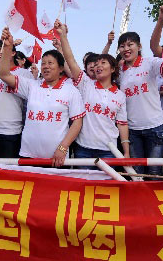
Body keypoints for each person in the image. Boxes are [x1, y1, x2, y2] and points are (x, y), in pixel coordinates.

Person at [0, 27, 85, 167]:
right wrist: (8, 48)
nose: (45, 67)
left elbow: (77, 123)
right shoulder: (32, 86)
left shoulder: (71, 91)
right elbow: (4, 75)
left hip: (57, 158)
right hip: (28, 155)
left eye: (50, 63)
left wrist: (62, 148)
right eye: (43, 63)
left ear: (61, 68)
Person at [55, 20, 130, 162]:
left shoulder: (120, 95)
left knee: (105, 185)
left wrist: (126, 151)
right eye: (96, 64)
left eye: (103, 63)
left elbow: (122, 123)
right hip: (83, 148)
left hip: (109, 151)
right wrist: (63, 36)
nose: (98, 66)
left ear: (113, 69)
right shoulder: (86, 84)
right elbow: (70, 60)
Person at [118, 29, 163, 177]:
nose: (126, 49)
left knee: (154, 172)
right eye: (122, 46)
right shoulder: (118, 70)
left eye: (130, 44)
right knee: (137, 173)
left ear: (139, 46)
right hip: (132, 130)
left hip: (154, 128)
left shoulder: (150, 62)